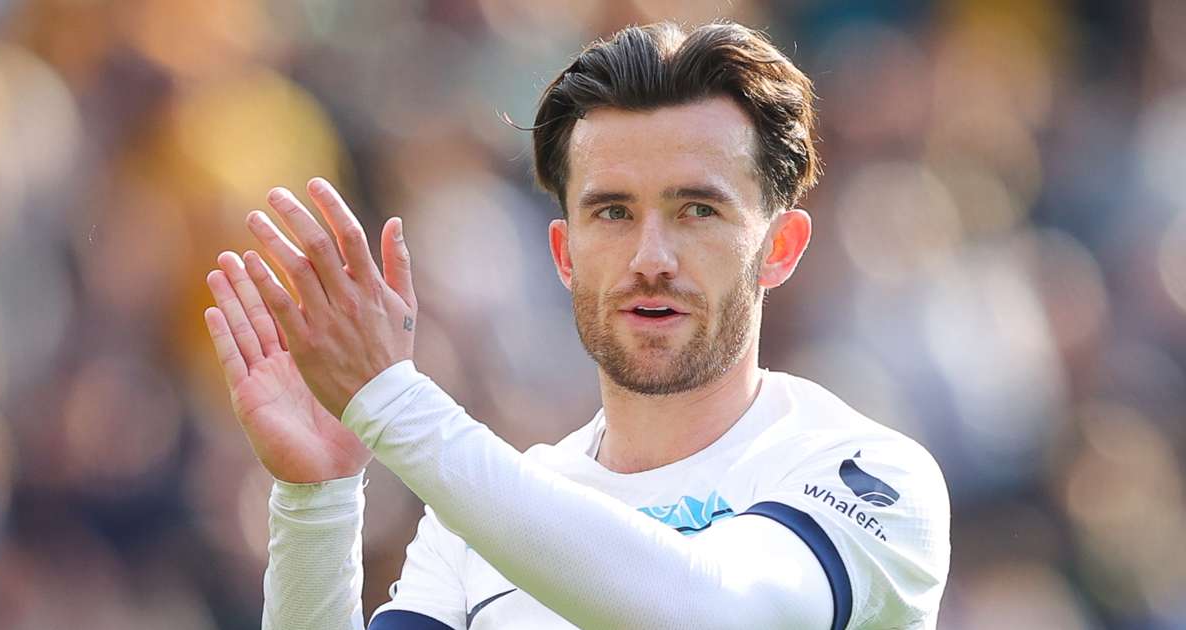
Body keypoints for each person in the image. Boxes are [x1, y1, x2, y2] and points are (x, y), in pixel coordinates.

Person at [203, 20, 949, 630]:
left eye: (698, 210)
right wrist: (317, 503)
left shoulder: (864, 471)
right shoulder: (474, 523)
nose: (650, 258)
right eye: (613, 212)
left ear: (778, 249)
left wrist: (393, 402)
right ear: (564, 253)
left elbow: (712, 614)